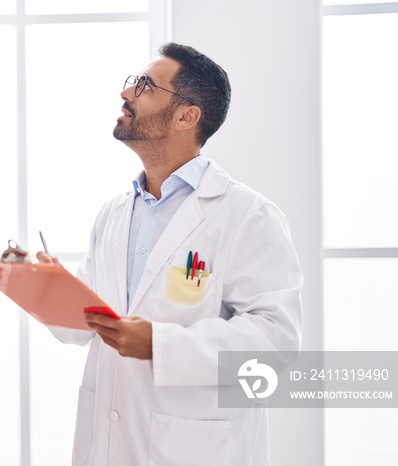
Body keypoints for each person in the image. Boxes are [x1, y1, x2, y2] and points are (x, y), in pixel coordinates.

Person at [37, 43, 303, 466]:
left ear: (186, 116)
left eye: (143, 86)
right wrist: (46, 289)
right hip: (107, 445)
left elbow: (275, 345)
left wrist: (160, 345)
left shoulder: (246, 216)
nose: (127, 95)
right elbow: (81, 327)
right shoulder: (114, 214)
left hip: (195, 448)